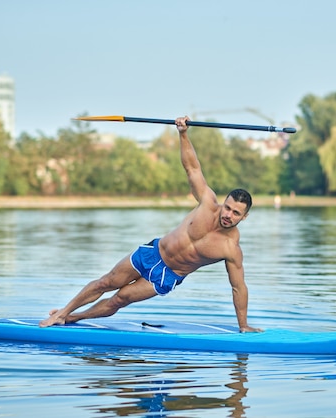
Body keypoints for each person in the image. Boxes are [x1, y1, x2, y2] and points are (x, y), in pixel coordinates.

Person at [39, 116, 262, 333]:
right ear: (224, 203)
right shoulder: (206, 202)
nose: (229, 215)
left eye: (236, 213)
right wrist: (183, 134)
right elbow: (192, 168)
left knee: (120, 299)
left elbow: (238, 287)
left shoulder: (230, 249)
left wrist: (243, 325)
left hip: (167, 275)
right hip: (153, 252)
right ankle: (61, 313)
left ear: (244, 217)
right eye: (228, 208)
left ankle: (73, 318)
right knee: (106, 282)